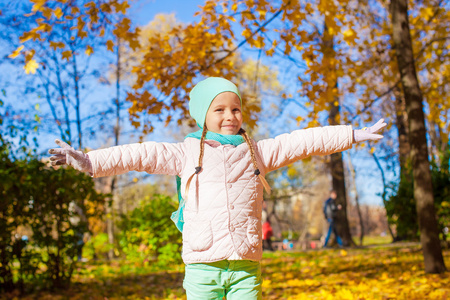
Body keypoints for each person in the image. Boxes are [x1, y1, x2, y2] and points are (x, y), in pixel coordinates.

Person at [49, 77, 386, 299]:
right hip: (202, 265)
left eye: (236, 108)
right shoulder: (184, 152)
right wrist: (89, 161)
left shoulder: (257, 152)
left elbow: (303, 141)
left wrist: (352, 134)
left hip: (245, 264)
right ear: (203, 115)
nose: (230, 115)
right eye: (220, 109)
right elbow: (138, 154)